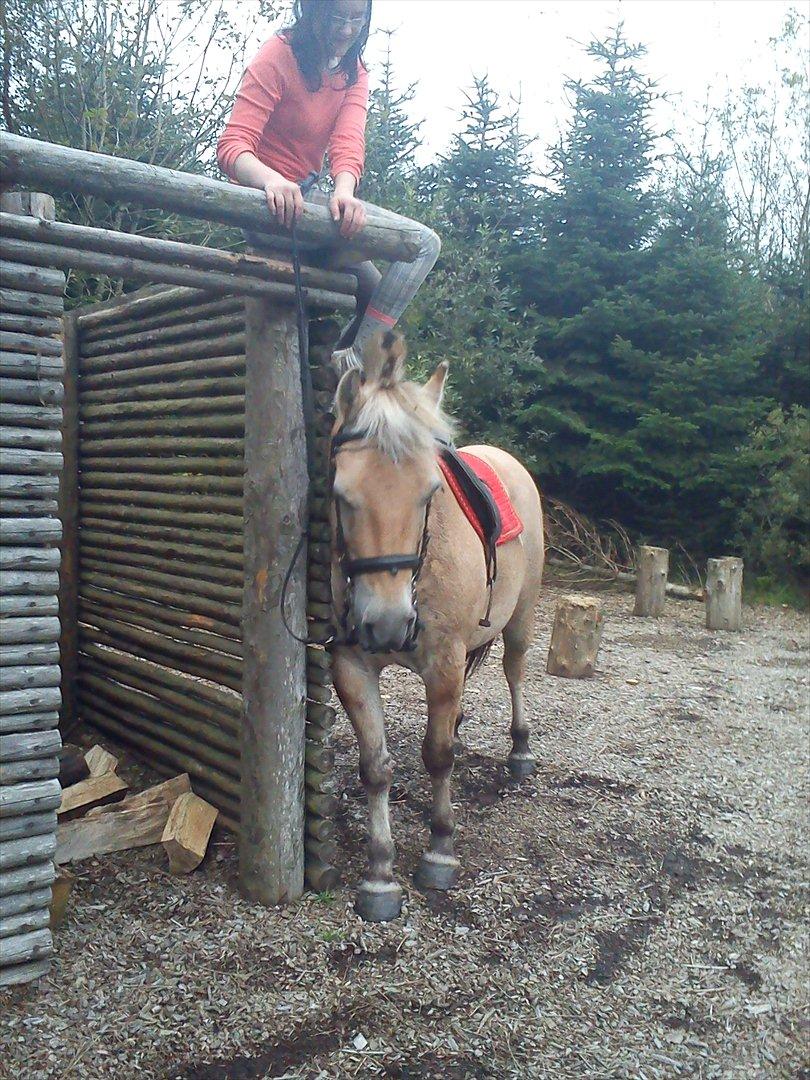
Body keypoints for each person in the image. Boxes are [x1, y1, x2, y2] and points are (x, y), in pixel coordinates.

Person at [217, 0, 440, 372]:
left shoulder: (353, 72)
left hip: (310, 213)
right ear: (313, 11)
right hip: (267, 209)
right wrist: (272, 179)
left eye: (358, 18)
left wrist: (344, 192)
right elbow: (232, 146)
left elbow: (348, 141)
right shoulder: (279, 54)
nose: (347, 29)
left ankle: (332, 376)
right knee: (423, 245)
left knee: (373, 289)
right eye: (338, 17)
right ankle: (352, 361)